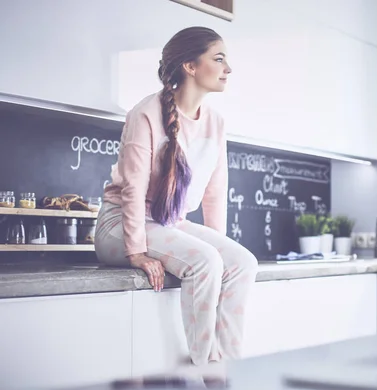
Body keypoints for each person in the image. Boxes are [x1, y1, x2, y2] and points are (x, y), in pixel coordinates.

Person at [95, 26, 258, 365]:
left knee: (242, 262)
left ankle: (228, 367)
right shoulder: (146, 113)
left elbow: (215, 193)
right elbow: (134, 189)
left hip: (169, 223)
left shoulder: (216, 122)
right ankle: (205, 373)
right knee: (205, 260)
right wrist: (136, 251)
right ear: (190, 66)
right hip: (119, 226)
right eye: (219, 58)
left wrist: (219, 244)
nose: (228, 68)